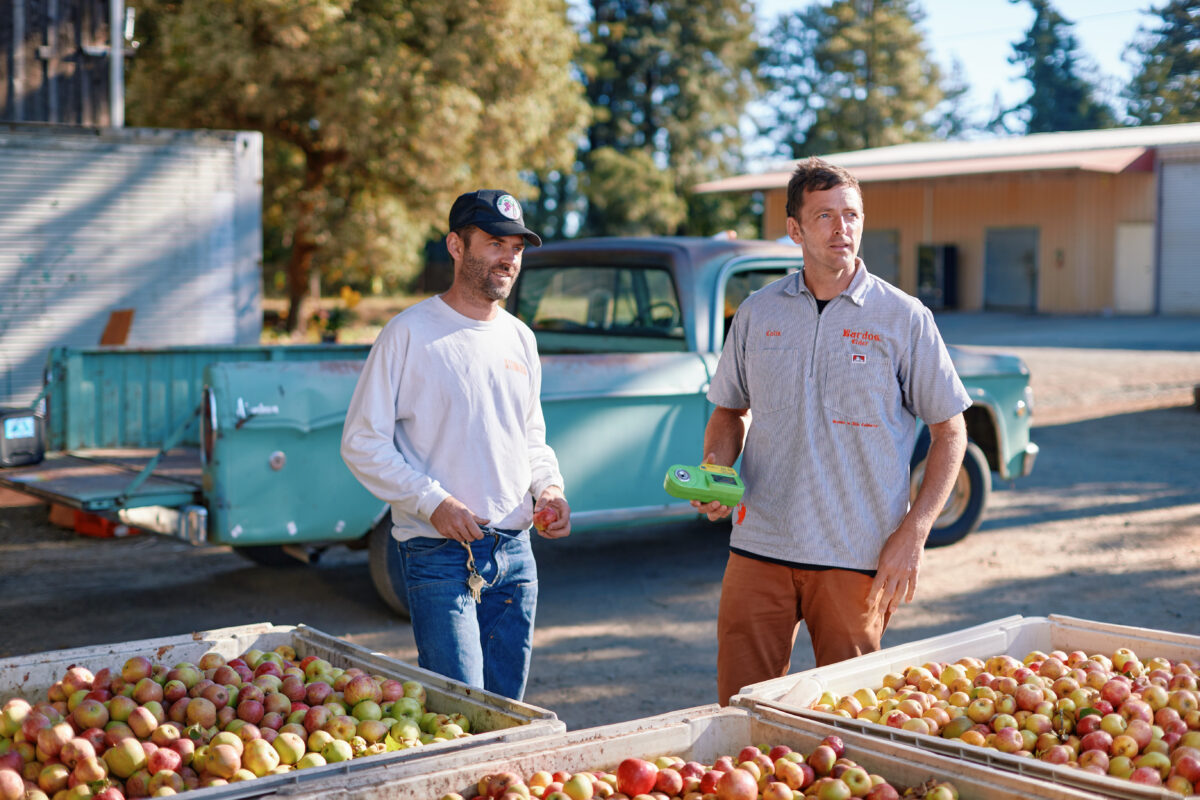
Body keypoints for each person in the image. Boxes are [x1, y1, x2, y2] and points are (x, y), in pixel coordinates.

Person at [695, 157, 970, 704]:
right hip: (758, 548)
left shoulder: (904, 317)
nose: (841, 228)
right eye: (824, 216)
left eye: (851, 214)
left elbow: (950, 432)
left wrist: (914, 533)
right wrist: (715, 473)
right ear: (795, 229)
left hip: (858, 555)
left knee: (848, 723)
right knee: (739, 710)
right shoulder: (757, 311)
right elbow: (729, 410)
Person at [341, 189, 570, 701]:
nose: (508, 257)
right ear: (456, 246)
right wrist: (433, 503)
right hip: (438, 554)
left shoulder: (520, 338)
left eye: (516, 246)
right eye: (493, 243)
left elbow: (530, 434)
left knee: (509, 709)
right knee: (461, 710)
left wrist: (549, 489)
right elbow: (361, 442)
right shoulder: (407, 334)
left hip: (516, 551)